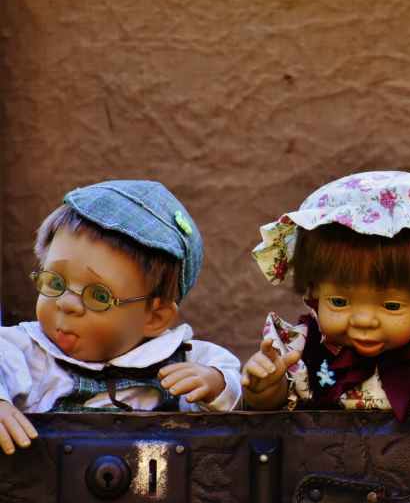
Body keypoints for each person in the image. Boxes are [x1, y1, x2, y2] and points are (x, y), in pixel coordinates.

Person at [0, 180, 242, 454]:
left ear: (154, 317)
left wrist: (214, 384)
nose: (66, 304)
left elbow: (235, 394)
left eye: (99, 296)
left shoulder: (182, 360)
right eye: (55, 283)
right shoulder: (26, 350)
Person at [242, 171, 410, 418]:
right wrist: (265, 389)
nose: (363, 320)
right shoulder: (301, 348)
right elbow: (271, 409)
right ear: (314, 288)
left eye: (391, 305)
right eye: (339, 301)